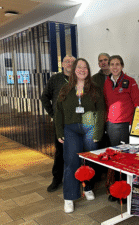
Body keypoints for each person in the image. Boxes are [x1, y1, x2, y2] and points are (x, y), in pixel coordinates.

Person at [55, 58, 105, 213]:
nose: (82, 70)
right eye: (79, 67)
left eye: (85, 67)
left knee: (89, 160)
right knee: (71, 161)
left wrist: (98, 130)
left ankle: (88, 187)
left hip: (90, 129)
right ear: (74, 69)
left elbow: (101, 110)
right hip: (71, 129)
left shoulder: (95, 88)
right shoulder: (65, 89)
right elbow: (58, 111)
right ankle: (69, 196)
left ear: (88, 70)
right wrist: (59, 131)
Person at [103, 55, 139, 202]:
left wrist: (136, 125)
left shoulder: (130, 82)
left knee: (125, 159)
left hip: (126, 125)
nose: (114, 67)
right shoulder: (106, 82)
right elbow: (106, 103)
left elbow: (138, 103)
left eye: (117, 64)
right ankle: (116, 190)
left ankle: (125, 192)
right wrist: (107, 121)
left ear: (122, 66)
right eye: (112, 64)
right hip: (111, 125)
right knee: (115, 159)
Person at [41, 55, 76, 192]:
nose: (70, 64)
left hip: (77, 123)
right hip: (60, 124)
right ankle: (56, 179)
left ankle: (76, 177)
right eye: (67, 61)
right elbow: (44, 97)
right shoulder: (55, 79)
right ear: (62, 64)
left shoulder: (80, 78)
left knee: (77, 151)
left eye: (73, 62)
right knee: (60, 153)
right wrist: (53, 114)